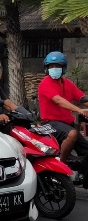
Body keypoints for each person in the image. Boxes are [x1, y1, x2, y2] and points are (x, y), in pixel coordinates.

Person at [37, 51, 88, 179]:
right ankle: (61, 164)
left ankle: (82, 174)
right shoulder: (45, 83)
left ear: (63, 68)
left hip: (67, 124)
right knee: (72, 134)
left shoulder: (67, 83)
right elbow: (58, 100)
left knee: (86, 150)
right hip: (50, 124)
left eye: (57, 66)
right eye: (51, 66)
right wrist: (79, 110)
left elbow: (82, 98)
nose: (54, 69)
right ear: (47, 68)